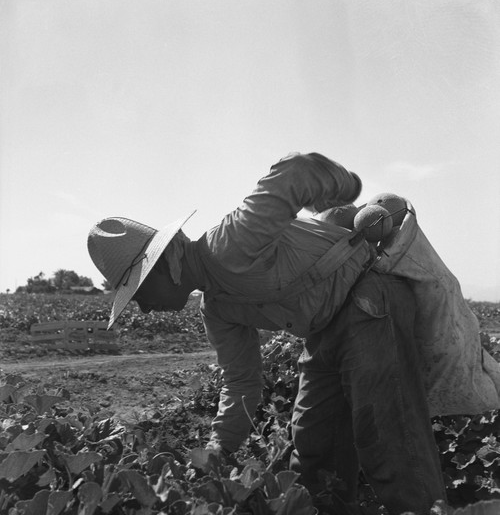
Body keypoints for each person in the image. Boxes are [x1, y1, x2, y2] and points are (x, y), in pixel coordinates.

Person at [88, 152, 449, 514]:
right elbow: (241, 382)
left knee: (386, 434)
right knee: (314, 446)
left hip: (370, 302)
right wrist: (219, 448)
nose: (145, 308)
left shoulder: (230, 243)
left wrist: (346, 188)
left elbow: (297, 170)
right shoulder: (216, 310)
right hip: (324, 330)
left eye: (140, 293)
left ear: (166, 265)